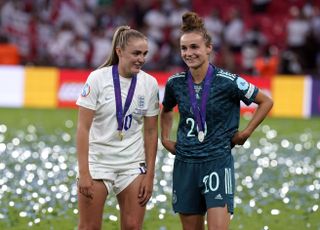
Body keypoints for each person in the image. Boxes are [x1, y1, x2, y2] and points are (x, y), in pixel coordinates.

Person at [160, 12, 273, 230]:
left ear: (208, 48)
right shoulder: (175, 83)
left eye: (195, 47)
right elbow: (165, 110)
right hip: (185, 164)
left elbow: (265, 101)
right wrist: (165, 138)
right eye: (184, 48)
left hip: (217, 163)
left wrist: (246, 133)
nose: (189, 53)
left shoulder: (228, 82)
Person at [76, 25, 159, 230]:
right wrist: (84, 172)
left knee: (132, 226)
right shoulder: (97, 79)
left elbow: (150, 132)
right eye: (136, 53)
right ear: (119, 51)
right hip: (98, 162)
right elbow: (83, 128)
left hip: (132, 163)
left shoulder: (150, 84)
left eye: (144, 54)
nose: (141, 59)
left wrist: (149, 175)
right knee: (89, 227)